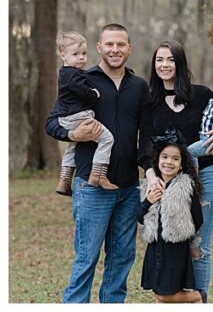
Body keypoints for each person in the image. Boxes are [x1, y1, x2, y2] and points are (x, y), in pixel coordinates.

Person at [45, 23, 149, 303]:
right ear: (99, 48)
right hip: (91, 188)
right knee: (86, 258)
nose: (115, 50)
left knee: (122, 258)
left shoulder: (139, 86)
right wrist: (71, 133)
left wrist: (150, 169)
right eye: (109, 44)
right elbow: (51, 123)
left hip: (128, 186)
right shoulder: (81, 80)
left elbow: (148, 133)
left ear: (129, 48)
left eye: (121, 44)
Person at [138, 39, 213, 302]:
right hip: (167, 184)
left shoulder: (202, 94)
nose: (165, 65)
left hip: (205, 178)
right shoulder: (150, 101)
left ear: (180, 62)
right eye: (160, 60)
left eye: (170, 59)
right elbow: (144, 148)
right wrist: (151, 177)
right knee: (173, 244)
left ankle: (201, 301)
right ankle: (177, 298)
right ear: (154, 65)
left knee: (199, 246)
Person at [138, 130, 203, 303]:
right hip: (155, 247)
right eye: (165, 157)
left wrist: (182, 233)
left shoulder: (185, 186)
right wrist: (148, 202)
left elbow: (198, 218)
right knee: (158, 294)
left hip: (175, 248)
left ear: (181, 164)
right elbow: (138, 217)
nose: (169, 162)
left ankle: (197, 297)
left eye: (175, 158)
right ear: (158, 161)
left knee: (164, 294)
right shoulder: (150, 186)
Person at [52, 31, 117, 193]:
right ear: (63, 55)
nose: (81, 57)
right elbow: (82, 91)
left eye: (83, 53)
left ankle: (64, 180)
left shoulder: (67, 74)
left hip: (67, 117)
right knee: (107, 139)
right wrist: (94, 93)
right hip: (79, 117)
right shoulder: (71, 74)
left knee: (72, 148)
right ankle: (98, 175)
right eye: (75, 54)